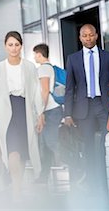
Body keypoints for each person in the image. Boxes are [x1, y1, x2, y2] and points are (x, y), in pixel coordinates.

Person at [0, 31, 44, 203]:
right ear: (5, 46)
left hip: (24, 110)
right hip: (6, 112)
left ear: (21, 46)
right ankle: (16, 189)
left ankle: (17, 184)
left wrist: (40, 114)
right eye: (10, 45)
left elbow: (35, 92)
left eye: (17, 45)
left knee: (23, 152)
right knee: (12, 151)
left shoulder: (29, 67)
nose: (13, 48)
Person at [64, 24, 109, 193]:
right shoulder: (73, 59)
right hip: (83, 108)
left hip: (104, 105)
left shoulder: (108, 57)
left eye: (91, 35)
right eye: (84, 35)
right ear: (80, 38)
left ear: (97, 36)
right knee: (88, 146)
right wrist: (68, 113)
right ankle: (92, 184)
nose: (88, 38)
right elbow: (69, 89)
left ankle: (108, 179)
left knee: (108, 143)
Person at [33, 43, 64, 183]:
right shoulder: (50, 67)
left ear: (39, 54)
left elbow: (44, 91)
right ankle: (43, 176)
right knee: (45, 144)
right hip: (53, 109)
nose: (34, 57)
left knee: (51, 142)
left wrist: (41, 111)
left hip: (50, 110)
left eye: (35, 54)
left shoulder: (43, 69)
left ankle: (75, 166)